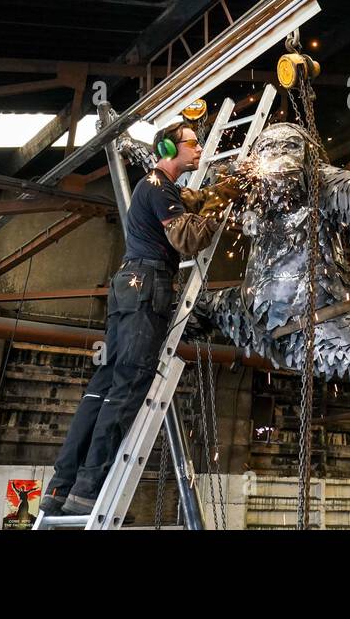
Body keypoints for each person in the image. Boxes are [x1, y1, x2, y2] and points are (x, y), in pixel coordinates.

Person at [40, 120, 240, 516]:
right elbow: (187, 238)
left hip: (127, 285)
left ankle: (61, 487)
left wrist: (217, 193)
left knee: (105, 384)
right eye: (193, 144)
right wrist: (222, 210)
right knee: (129, 386)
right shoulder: (158, 187)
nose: (200, 150)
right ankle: (89, 488)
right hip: (148, 285)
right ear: (168, 149)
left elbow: (189, 200)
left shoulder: (156, 187)